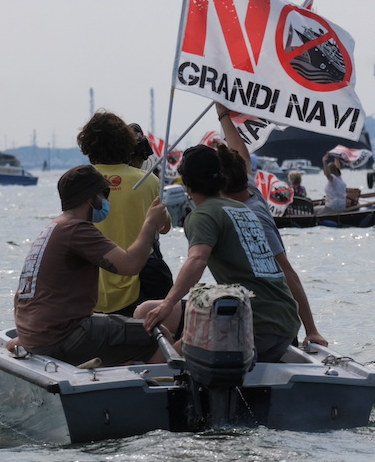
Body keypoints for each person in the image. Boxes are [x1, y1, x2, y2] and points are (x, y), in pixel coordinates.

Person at [138, 145, 301, 363]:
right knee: (148, 308)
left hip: (256, 327)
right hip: (287, 324)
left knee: (161, 359)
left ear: (185, 183)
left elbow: (197, 259)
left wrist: (168, 303)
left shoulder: (202, 215)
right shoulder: (243, 208)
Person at [10, 166, 170, 366]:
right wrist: (150, 224)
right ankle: (154, 393)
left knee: (122, 337)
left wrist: (26, 338)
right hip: (63, 336)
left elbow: (20, 296)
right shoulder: (77, 229)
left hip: (34, 336)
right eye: (105, 195)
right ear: (90, 198)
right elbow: (130, 266)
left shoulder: (53, 228)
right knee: (159, 336)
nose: (107, 201)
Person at [213, 104, 327, 346]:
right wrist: (223, 115)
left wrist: (312, 330)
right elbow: (240, 153)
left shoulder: (253, 220)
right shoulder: (249, 188)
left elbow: (288, 272)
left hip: (270, 322)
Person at [77, 111, 173, 317]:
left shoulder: (79, 181)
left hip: (90, 291)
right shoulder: (148, 181)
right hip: (138, 290)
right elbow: (164, 227)